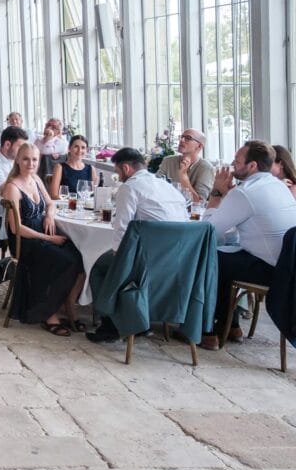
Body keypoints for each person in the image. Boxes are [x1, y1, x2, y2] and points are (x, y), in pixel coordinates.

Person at [85, 146, 191, 343]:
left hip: (147, 261)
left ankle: (111, 327)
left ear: (126, 168)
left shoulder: (130, 187)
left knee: (98, 267)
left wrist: (118, 257)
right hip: (177, 262)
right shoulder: (165, 185)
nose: (118, 175)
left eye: (117, 171)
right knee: (114, 263)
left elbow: (121, 227)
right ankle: (139, 322)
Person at [200, 141, 296, 349]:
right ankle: (231, 326)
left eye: (236, 161)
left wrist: (216, 193)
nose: (232, 164)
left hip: (272, 270)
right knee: (224, 257)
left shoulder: (245, 192)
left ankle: (208, 330)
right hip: (288, 267)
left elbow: (208, 232)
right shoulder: (279, 186)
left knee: (208, 259)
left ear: (252, 166)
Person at [0, 143, 85, 336]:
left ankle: (67, 303)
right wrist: (49, 238)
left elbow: (50, 202)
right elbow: (16, 228)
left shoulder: (36, 179)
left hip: (42, 234)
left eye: (35, 159)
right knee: (65, 260)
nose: (31, 163)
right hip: (26, 241)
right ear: (18, 161)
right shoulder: (12, 187)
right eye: (26, 159)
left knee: (79, 255)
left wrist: (49, 215)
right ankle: (49, 313)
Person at [0, 126, 30, 215]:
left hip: (20, 206)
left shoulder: (13, 160)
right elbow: (6, 194)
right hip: (5, 213)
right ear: (7, 145)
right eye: (20, 148)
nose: (24, 152)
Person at [158, 128, 215, 201]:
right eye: (181, 137)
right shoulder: (168, 161)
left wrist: (183, 176)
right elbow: (156, 188)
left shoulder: (206, 168)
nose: (181, 140)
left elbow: (199, 202)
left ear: (199, 146)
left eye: (188, 138)